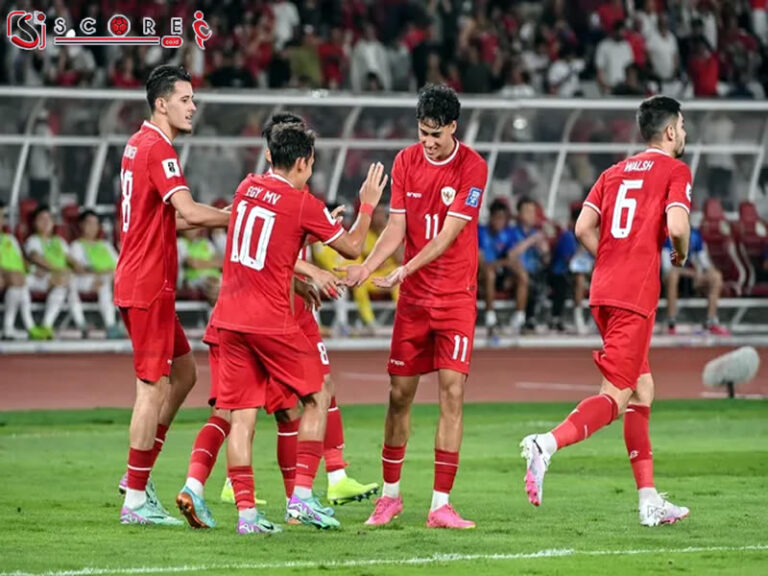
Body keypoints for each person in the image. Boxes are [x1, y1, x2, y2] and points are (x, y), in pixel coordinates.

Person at [176, 113, 379, 530]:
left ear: (271, 155)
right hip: (269, 320)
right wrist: (369, 203)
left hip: (228, 319)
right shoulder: (304, 203)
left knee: (240, 416)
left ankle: (247, 514)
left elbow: (268, 241)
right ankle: (302, 497)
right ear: (304, 162)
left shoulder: (248, 187)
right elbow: (354, 248)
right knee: (318, 393)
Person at [520, 95, 692, 527]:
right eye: (683, 126)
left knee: (643, 390)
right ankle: (546, 444)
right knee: (614, 398)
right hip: (633, 296)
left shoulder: (613, 172)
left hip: (605, 290)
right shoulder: (675, 170)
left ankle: (649, 499)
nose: (684, 134)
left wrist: (612, 260)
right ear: (670, 131)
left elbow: (582, 228)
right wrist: (680, 253)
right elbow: (676, 226)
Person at [340, 84, 488, 529]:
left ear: (453, 128)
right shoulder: (406, 161)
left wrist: (403, 271)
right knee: (399, 395)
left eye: (436, 134)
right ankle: (389, 497)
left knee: (452, 392)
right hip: (415, 304)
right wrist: (367, 266)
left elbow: (448, 235)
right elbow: (398, 226)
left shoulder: (473, 167)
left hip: (455, 299)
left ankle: (440, 504)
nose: (428, 141)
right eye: (423, 132)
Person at [115, 65, 230, 525]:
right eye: (185, 99)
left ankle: (136, 475)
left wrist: (221, 216)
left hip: (146, 281)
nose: (193, 106)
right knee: (151, 388)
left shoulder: (137, 144)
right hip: (146, 284)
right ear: (161, 103)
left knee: (183, 373)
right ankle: (135, 497)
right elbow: (186, 210)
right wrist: (236, 214)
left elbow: (168, 220)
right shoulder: (159, 148)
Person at [24, 205, 87, 338]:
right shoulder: (33, 240)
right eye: (42, 219)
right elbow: (35, 257)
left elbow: (71, 259)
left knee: (66, 285)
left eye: (49, 219)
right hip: (41, 277)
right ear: (35, 223)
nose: (46, 223)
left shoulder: (59, 241)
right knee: (66, 282)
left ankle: (47, 325)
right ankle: (81, 323)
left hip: (60, 278)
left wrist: (77, 268)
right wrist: (58, 271)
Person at [662, 229, 729, 336]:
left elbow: (705, 264)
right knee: (672, 276)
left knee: (716, 276)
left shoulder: (695, 235)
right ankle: (671, 322)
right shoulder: (667, 236)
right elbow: (667, 268)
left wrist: (707, 272)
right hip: (668, 278)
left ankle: (711, 321)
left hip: (690, 278)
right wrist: (692, 273)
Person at [69, 209, 121, 338]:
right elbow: (80, 269)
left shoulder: (105, 245)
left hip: (110, 278)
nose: (93, 227)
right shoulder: (77, 245)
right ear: (81, 225)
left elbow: (119, 265)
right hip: (85, 280)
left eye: (95, 224)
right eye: (89, 223)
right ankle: (110, 325)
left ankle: (127, 323)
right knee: (103, 284)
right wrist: (102, 273)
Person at [349, 204, 402, 332]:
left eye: (382, 214)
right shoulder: (363, 234)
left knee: (399, 277)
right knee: (358, 284)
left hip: (389, 273)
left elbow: (401, 258)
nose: (380, 217)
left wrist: (385, 230)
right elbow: (357, 262)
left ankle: (402, 320)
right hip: (371, 276)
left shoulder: (392, 231)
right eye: (377, 214)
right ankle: (370, 322)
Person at [508, 197, 550, 333]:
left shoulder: (536, 233)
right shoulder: (512, 232)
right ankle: (520, 317)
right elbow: (510, 255)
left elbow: (546, 260)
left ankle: (534, 319)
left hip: (535, 273)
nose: (530, 215)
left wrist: (543, 249)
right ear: (519, 214)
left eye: (533, 212)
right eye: (527, 211)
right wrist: (530, 241)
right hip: (513, 274)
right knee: (524, 278)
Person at [549, 204, 592, 334]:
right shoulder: (567, 237)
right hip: (560, 274)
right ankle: (578, 317)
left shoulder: (588, 237)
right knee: (579, 279)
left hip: (581, 272)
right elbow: (571, 263)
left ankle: (595, 319)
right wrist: (582, 249)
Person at [0, 202, 39, 340]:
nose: (0, 220)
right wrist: (6, 273)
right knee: (17, 280)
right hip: (5, 276)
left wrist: (34, 269)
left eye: (2, 216)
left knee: (21, 280)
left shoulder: (9, 238)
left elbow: (23, 261)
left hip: (18, 276)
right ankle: (25, 326)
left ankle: (12, 327)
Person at [478, 199, 517, 337]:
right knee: (489, 274)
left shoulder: (507, 234)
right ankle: (490, 318)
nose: (500, 222)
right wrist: (501, 263)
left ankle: (520, 318)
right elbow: (481, 262)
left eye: (503, 219)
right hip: (481, 277)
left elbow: (511, 258)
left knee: (520, 273)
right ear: (491, 217)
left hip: (500, 273)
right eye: (498, 218)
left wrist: (501, 264)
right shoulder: (481, 232)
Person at [177, 227, 222, 305]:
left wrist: (201, 263)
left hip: (215, 276)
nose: (193, 231)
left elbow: (220, 263)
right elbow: (193, 263)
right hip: (194, 279)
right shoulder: (181, 243)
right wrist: (212, 263)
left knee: (225, 282)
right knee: (211, 283)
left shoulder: (205, 242)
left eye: (194, 228)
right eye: (190, 229)